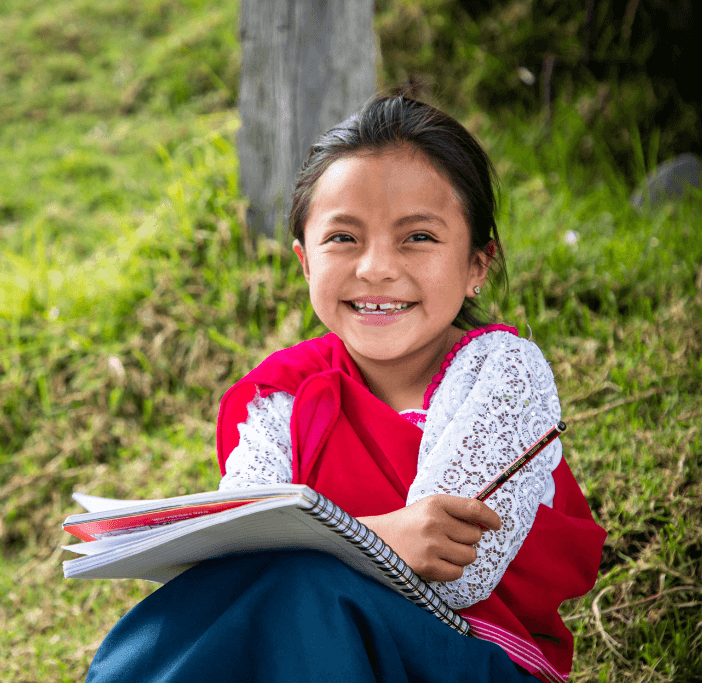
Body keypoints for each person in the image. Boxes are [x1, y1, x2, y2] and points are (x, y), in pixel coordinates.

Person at [85, 96, 606, 683]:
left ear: (477, 266)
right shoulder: (279, 395)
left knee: (301, 587)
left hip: (463, 654)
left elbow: (455, 569)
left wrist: (316, 545)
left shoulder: (504, 372)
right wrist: (384, 533)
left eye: (418, 238)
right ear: (305, 263)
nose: (377, 267)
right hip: (302, 645)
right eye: (343, 239)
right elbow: (243, 552)